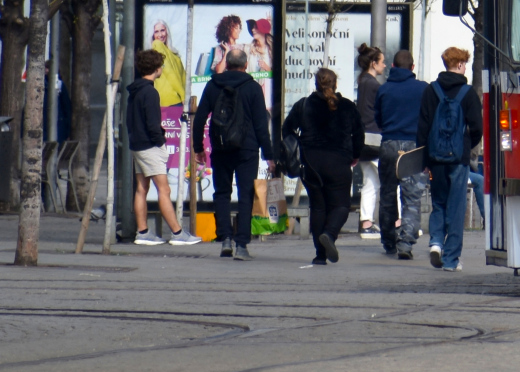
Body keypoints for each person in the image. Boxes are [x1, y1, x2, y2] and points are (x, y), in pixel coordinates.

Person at [193, 48, 274, 260]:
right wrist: (269, 155)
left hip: (220, 147)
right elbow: (260, 125)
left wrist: (198, 147)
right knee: (246, 194)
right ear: (246, 65)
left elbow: (200, 117)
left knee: (221, 192)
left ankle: (225, 239)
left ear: (226, 64)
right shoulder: (253, 88)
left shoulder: (213, 85)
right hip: (247, 148)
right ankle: (242, 245)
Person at [284, 67, 363, 264]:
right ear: (335, 84)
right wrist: (355, 155)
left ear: (316, 84)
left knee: (318, 208)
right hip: (338, 161)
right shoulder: (347, 106)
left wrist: (300, 146)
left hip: (311, 163)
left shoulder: (304, 105)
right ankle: (329, 233)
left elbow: (287, 129)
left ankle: (320, 255)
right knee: (342, 206)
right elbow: (359, 134)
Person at [417, 47, 483, 271]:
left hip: (435, 157)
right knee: (456, 208)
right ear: (462, 65)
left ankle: (436, 242)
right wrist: (465, 146)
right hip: (458, 158)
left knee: (438, 202)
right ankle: (451, 259)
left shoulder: (431, 91)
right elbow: (477, 127)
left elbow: (423, 125)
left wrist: (424, 157)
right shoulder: (468, 92)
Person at [127, 49, 201, 246]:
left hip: (137, 144)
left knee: (141, 188)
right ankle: (177, 233)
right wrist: (160, 140)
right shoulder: (150, 92)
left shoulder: (134, 90)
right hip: (150, 146)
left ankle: (143, 231)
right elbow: (153, 123)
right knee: (164, 189)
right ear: (157, 69)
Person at [374, 49, 427, 259]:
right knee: (412, 197)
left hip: (388, 143)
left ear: (393, 67)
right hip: (413, 146)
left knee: (387, 194)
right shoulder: (423, 89)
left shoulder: (384, 89)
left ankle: (388, 240)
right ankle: (405, 243)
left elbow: (377, 117)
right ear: (412, 67)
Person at [355, 44, 386, 239]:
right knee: (391, 179)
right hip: (375, 138)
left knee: (370, 181)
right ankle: (397, 222)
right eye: (382, 62)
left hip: (363, 139)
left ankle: (367, 222)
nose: (384, 65)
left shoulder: (362, 82)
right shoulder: (374, 85)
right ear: (373, 64)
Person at [149, 20, 188, 108]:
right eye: (156, 32)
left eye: (162, 30)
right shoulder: (157, 45)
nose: (160, 35)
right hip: (169, 100)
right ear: (153, 35)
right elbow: (168, 71)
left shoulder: (173, 52)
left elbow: (183, 76)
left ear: (167, 31)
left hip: (178, 98)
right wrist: (183, 95)